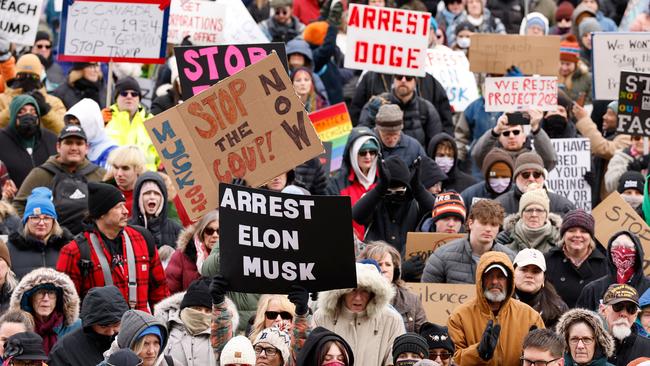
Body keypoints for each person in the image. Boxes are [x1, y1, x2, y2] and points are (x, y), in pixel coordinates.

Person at [56, 182, 169, 311]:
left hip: (141, 328)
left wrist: (161, 323)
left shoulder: (143, 238)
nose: (126, 211)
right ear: (101, 213)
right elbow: (67, 304)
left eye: (124, 205)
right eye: (118, 207)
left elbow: (160, 289)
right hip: (101, 329)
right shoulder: (74, 251)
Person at [448, 252, 545, 365]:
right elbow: (450, 359)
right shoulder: (459, 316)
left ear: (509, 281)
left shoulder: (530, 316)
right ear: (481, 280)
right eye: (489, 276)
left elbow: (545, 357)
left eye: (500, 276)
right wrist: (478, 352)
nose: (494, 281)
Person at [13, 124, 105, 235]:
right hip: (51, 243)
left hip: (90, 242)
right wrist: (33, 231)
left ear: (86, 148)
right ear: (58, 146)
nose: (74, 148)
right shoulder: (40, 174)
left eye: (79, 143)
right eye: (68, 142)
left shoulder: (100, 175)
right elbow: (19, 205)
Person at [314, 262, 405, 365]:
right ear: (342, 292)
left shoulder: (392, 320)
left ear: (373, 293)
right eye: (353, 290)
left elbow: (396, 360)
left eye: (364, 291)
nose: (358, 297)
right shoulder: (322, 317)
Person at [210, 276, 310, 365]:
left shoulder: (294, 356)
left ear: (293, 318)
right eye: (272, 314)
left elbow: (302, 350)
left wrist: (301, 314)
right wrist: (219, 304)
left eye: (285, 315)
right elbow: (226, 354)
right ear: (263, 318)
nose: (278, 319)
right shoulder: (248, 348)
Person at [352, 155, 435, 254]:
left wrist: (418, 189)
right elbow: (356, 215)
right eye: (388, 192)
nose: (394, 196)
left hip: (410, 263)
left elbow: (439, 212)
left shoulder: (416, 202)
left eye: (399, 192)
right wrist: (379, 189)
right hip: (377, 263)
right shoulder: (374, 201)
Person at [421, 199, 515, 284]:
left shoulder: (510, 259)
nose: (488, 229)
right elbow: (427, 294)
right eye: (483, 223)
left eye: (494, 225)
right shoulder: (442, 256)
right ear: (470, 223)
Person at [48, 285, 129, 366]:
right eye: (104, 326)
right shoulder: (64, 350)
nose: (111, 332)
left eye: (116, 325)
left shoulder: (131, 340)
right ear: (90, 323)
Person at [545, 209, 609, 308]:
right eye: (571, 230)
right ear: (563, 234)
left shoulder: (605, 265)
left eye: (583, 231)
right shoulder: (548, 260)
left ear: (591, 236)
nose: (578, 235)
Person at [8, 267, 81, 354]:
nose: (46, 298)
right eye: (40, 292)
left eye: (51, 293)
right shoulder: (17, 328)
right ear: (30, 298)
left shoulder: (76, 327)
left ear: (58, 299)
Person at [358, 75, 444, 148]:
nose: (403, 81)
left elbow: (435, 144)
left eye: (408, 78)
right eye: (399, 77)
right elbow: (361, 136)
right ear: (393, 80)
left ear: (416, 81)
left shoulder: (426, 108)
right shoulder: (376, 103)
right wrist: (371, 117)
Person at [358, 242, 427, 332]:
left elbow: (424, 333)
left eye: (388, 264)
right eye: (379, 264)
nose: (384, 269)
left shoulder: (412, 300)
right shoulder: (358, 298)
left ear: (395, 269)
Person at [7, 187, 73, 279]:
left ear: (53, 222)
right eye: (35, 217)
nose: (41, 223)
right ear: (26, 220)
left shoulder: (68, 247)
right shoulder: (10, 248)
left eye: (46, 218)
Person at [573, 102, 631, 206]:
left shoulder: (627, 139)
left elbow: (602, 148)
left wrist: (584, 119)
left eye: (610, 114)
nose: (604, 117)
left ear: (622, 119)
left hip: (615, 205)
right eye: (605, 113)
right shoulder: (611, 136)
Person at [326, 127, 380, 239]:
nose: (368, 156)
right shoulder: (337, 183)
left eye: (373, 151)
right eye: (363, 152)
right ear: (353, 153)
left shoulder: (384, 181)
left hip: (379, 249)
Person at [576, 231, 650, 311]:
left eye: (628, 247)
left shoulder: (648, 287)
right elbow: (580, 320)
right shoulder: (593, 289)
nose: (622, 252)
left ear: (638, 253)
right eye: (616, 247)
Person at [153, 278, 218, 365]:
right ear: (186, 308)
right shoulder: (166, 328)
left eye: (208, 311)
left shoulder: (221, 336)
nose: (202, 314)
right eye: (197, 309)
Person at [472, 110, 557, 174]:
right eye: (506, 133)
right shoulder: (491, 158)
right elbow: (477, 155)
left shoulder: (534, 158)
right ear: (499, 138)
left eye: (516, 132)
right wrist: (496, 130)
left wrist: (535, 128)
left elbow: (550, 160)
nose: (511, 136)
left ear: (524, 137)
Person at [0, 95, 57, 188]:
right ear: (14, 115)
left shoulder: (50, 139)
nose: (28, 115)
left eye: (33, 111)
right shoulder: (2, 140)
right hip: (12, 201)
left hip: (50, 200)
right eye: (22, 112)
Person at [0, 54, 66, 134]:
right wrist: (13, 108)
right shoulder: (2, 99)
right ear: (16, 77)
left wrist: (46, 111)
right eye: (22, 76)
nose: (27, 80)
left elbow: (62, 131)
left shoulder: (54, 102)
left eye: (33, 77)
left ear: (39, 78)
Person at [104, 77, 159, 171]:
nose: (129, 97)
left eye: (134, 94)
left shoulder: (151, 121)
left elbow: (162, 152)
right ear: (116, 97)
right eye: (124, 93)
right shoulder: (105, 118)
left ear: (139, 99)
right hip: (113, 177)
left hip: (146, 178)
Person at [495, 152, 575, 217]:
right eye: (525, 174)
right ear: (516, 178)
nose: (531, 179)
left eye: (536, 174)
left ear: (543, 178)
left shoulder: (563, 206)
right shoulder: (500, 206)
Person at [128, 171, 181, 262]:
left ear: (162, 198)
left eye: (156, 193)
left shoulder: (176, 229)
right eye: (147, 193)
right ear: (139, 197)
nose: (152, 197)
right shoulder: (127, 228)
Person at [513, 248, 569, 329]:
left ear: (544, 278)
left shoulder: (558, 309)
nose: (529, 275)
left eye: (535, 271)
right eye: (524, 270)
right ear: (513, 272)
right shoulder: (500, 302)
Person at [497, 185, 563, 253]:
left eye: (539, 210)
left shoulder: (559, 241)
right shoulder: (505, 239)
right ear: (521, 214)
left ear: (546, 215)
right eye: (529, 210)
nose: (534, 215)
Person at [103, 309, 178, 366]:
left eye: (156, 343)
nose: (151, 351)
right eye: (145, 344)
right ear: (128, 345)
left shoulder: (170, 363)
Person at [165, 211, 217, 293]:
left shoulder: (231, 257)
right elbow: (169, 291)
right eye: (209, 231)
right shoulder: (181, 255)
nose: (215, 235)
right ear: (202, 232)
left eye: (219, 231)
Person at [598, 284, 650, 365]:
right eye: (618, 306)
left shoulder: (647, 347)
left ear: (636, 315)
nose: (624, 314)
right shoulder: (587, 342)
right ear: (603, 310)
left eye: (631, 309)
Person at [64, 98, 117, 169]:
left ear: (91, 123)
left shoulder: (111, 153)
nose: (75, 129)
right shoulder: (68, 146)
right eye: (70, 124)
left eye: (78, 123)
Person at [103, 145, 146, 216]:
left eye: (125, 168)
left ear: (138, 169)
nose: (119, 174)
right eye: (116, 167)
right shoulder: (103, 194)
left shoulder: (149, 197)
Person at [558, 36, 592, 104]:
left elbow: (590, 101)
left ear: (576, 64)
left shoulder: (587, 78)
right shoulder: (552, 76)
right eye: (562, 63)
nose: (564, 68)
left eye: (568, 64)